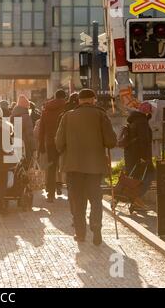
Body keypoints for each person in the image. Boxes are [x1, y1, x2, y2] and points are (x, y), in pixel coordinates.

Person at [56, 89, 117, 246]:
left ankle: (80, 232)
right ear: (93, 99)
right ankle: (96, 228)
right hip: (95, 167)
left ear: (79, 101)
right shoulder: (101, 115)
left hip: (73, 167)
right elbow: (111, 141)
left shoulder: (67, 116)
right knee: (96, 199)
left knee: (77, 201)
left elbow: (58, 143)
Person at [121, 101, 154, 211]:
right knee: (150, 175)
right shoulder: (142, 121)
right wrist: (145, 157)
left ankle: (133, 199)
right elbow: (144, 140)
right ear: (148, 111)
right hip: (140, 155)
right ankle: (136, 198)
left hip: (131, 154)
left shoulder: (134, 119)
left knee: (134, 177)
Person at [39, 89, 67, 203]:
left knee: (51, 167)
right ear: (64, 97)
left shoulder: (46, 110)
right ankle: (66, 190)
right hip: (65, 142)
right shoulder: (66, 108)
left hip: (50, 143)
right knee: (67, 166)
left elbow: (42, 129)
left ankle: (51, 194)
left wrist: (41, 144)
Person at [11, 95, 35, 165]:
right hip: (25, 146)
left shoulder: (12, 116)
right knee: (26, 167)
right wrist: (34, 148)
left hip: (15, 144)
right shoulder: (26, 116)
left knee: (18, 168)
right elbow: (30, 134)